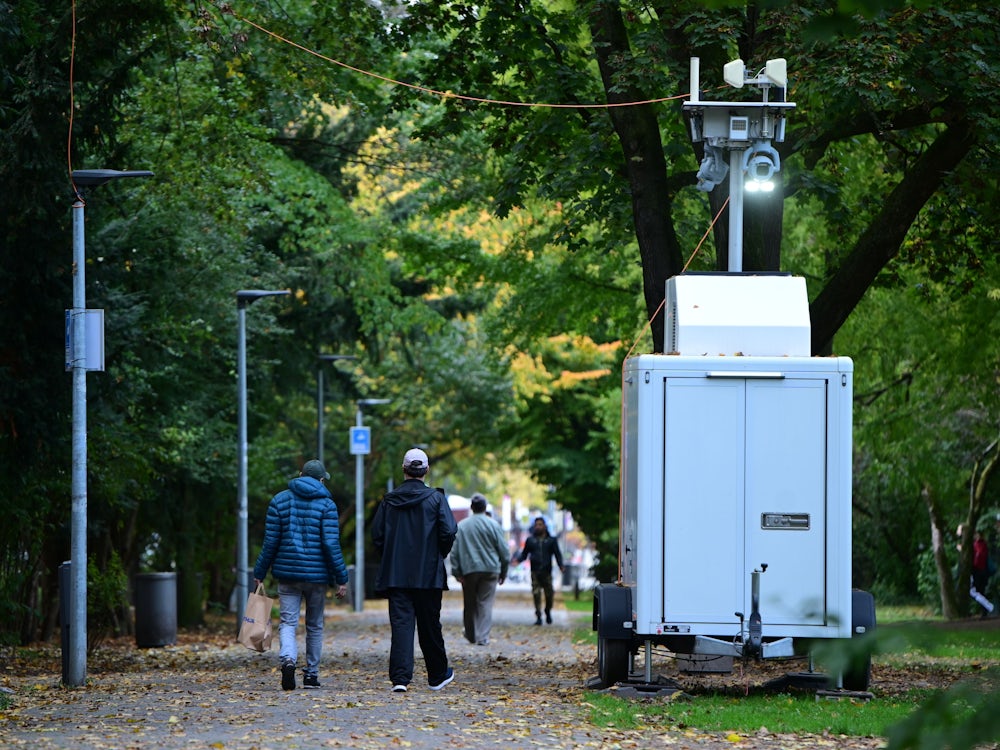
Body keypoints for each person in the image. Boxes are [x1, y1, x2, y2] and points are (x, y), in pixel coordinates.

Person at [253, 459, 349, 691]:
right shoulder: (327, 505)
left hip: (288, 575)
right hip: (317, 577)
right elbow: (330, 543)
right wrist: (341, 577)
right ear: (321, 479)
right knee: (314, 625)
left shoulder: (279, 501)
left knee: (288, 622)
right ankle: (311, 675)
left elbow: (270, 543)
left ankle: (288, 659)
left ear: (300, 474)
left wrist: (260, 572)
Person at [371, 448, 458, 693]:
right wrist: (438, 553)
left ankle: (400, 679)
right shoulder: (436, 499)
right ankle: (437, 675)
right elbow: (449, 531)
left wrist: (391, 555)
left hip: (397, 574)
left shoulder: (389, 501)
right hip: (428, 573)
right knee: (430, 624)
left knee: (401, 625)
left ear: (404, 470)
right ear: (426, 470)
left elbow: (377, 535)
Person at [450, 492, 509, 646]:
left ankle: (470, 635)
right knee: (485, 603)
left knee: (469, 604)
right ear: (485, 507)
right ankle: (483, 637)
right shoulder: (493, 525)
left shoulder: (462, 526)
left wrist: (457, 572)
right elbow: (504, 551)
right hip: (491, 569)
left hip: (469, 570)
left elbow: (454, 551)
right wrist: (503, 571)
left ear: (471, 507)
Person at [515, 516, 565, 625]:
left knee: (549, 594)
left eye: (540, 525)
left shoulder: (551, 540)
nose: (538, 527)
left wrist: (561, 565)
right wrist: (517, 560)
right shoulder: (530, 540)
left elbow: (557, 554)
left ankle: (547, 610)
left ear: (545, 526)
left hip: (547, 571)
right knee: (536, 593)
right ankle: (538, 615)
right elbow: (524, 554)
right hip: (535, 571)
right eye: (536, 525)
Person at [972, 529, 995, 617]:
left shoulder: (978, 544)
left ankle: (985, 609)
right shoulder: (983, 544)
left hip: (978, 571)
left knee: (978, 591)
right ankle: (984, 610)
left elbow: (979, 556)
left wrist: (974, 565)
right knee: (980, 590)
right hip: (982, 571)